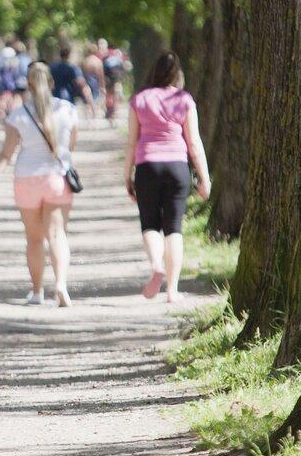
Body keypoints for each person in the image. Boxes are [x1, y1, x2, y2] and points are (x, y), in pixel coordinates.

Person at [0, 62, 80, 306]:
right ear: (52, 82)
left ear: (29, 84)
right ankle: (60, 285)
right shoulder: (68, 110)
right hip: (57, 178)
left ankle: (37, 292)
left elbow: (6, 154)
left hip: (26, 179)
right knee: (57, 234)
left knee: (34, 239)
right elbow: (71, 147)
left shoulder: (19, 115)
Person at [122, 52, 211, 303]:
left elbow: (131, 142)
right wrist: (205, 177)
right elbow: (193, 142)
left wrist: (127, 176)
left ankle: (156, 265)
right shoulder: (184, 100)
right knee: (174, 228)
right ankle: (172, 289)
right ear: (177, 74)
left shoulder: (139, 99)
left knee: (150, 224)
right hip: (177, 166)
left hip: (147, 165)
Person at [48, 44, 92, 109]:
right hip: (67, 95)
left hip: (54, 95)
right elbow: (79, 81)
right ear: (68, 55)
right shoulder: (72, 68)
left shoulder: (52, 67)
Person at [0, 44, 27, 119]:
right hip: (9, 89)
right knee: (10, 106)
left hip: (9, 89)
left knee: (10, 106)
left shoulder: (8, 67)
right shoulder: (8, 67)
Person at [99, 38, 128, 121]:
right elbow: (122, 69)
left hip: (108, 79)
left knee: (109, 95)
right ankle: (115, 111)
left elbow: (103, 70)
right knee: (116, 95)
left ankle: (110, 111)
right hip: (117, 79)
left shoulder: (105, 58)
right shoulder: (118, 58)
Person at [81, 44, 106, 126]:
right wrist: (102, 86)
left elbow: (81, 73)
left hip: (86, 80)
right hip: (95, 82)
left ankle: (89, 120)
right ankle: (94, 118)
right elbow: (100, 75)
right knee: (94, 100)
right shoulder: (98, 61)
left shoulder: (85, 61)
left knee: (88, 101)